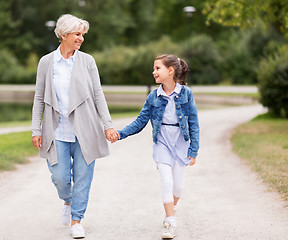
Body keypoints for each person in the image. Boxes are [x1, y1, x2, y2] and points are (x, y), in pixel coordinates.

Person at [31, 14, 119, 239]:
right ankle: (68, 200)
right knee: (60, 177)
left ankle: (77, 220)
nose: (81, 38)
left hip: (85, 129)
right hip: (56, 130)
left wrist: (107, 124)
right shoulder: (46, 62)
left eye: (82, 35)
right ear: (63, 34)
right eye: (77, 34)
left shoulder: (87, 61)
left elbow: (98, 94)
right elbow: (39, 97)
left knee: (83, 177)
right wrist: (36, 130)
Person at [111, 54, 199, 239]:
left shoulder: (186, 94)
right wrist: (120, 134)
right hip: (162, 143)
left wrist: (193, 150)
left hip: (181, 142)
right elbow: (140, 121)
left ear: (170, 71)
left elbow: (194, 123)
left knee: (178, 188)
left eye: (157, 68)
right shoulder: (153, 96)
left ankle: (170, 209)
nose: (154, 72)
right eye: (154, 68)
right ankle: (170, 222)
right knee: (166, 182)